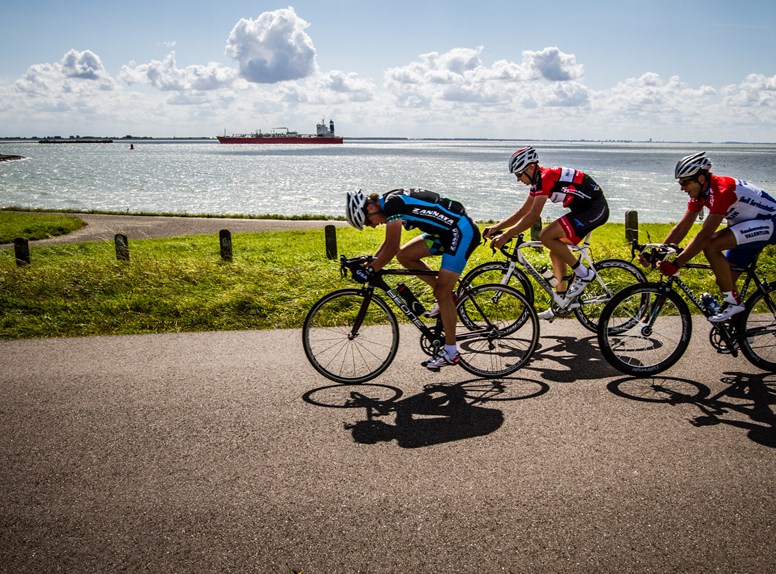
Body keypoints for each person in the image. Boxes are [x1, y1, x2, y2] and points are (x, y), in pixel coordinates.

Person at [345, 188, 481, 370]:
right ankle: (448, 298)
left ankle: (451, 352)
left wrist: (370, 270)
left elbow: (392, 246)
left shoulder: (393, 204)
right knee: (405, 256)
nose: (373, 226)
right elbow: (389, 246)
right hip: (443, 235)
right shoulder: (389, 202)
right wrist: (370, 262)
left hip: (460, 233)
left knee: (442, 292)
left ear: (370, 208)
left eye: (368, 222)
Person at [646, 151, 776, 322]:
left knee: (711, 245)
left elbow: (705, 236)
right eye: (680, 182)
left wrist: (677, 263)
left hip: (770, 223)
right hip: (747, 228)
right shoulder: (702, 194)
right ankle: (739, 332)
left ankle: (733, 303)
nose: (681, 187)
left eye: (685, 182)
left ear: (701, 179)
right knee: (726, 281)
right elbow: (682, 228)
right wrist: (658, 252)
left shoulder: (723, 190)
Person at [483, 146, 609, 320]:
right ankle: (561, 304)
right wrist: (497, 227)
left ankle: (583, 274)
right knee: (556, 251)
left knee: (545, 235)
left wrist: (506, 236)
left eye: (519, 174)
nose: (518, 180)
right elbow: (523, 212)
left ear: (530, 168)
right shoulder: (539, 181)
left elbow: (533, 216)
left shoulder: (546, 178)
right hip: (584, 210)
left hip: (595, 209)